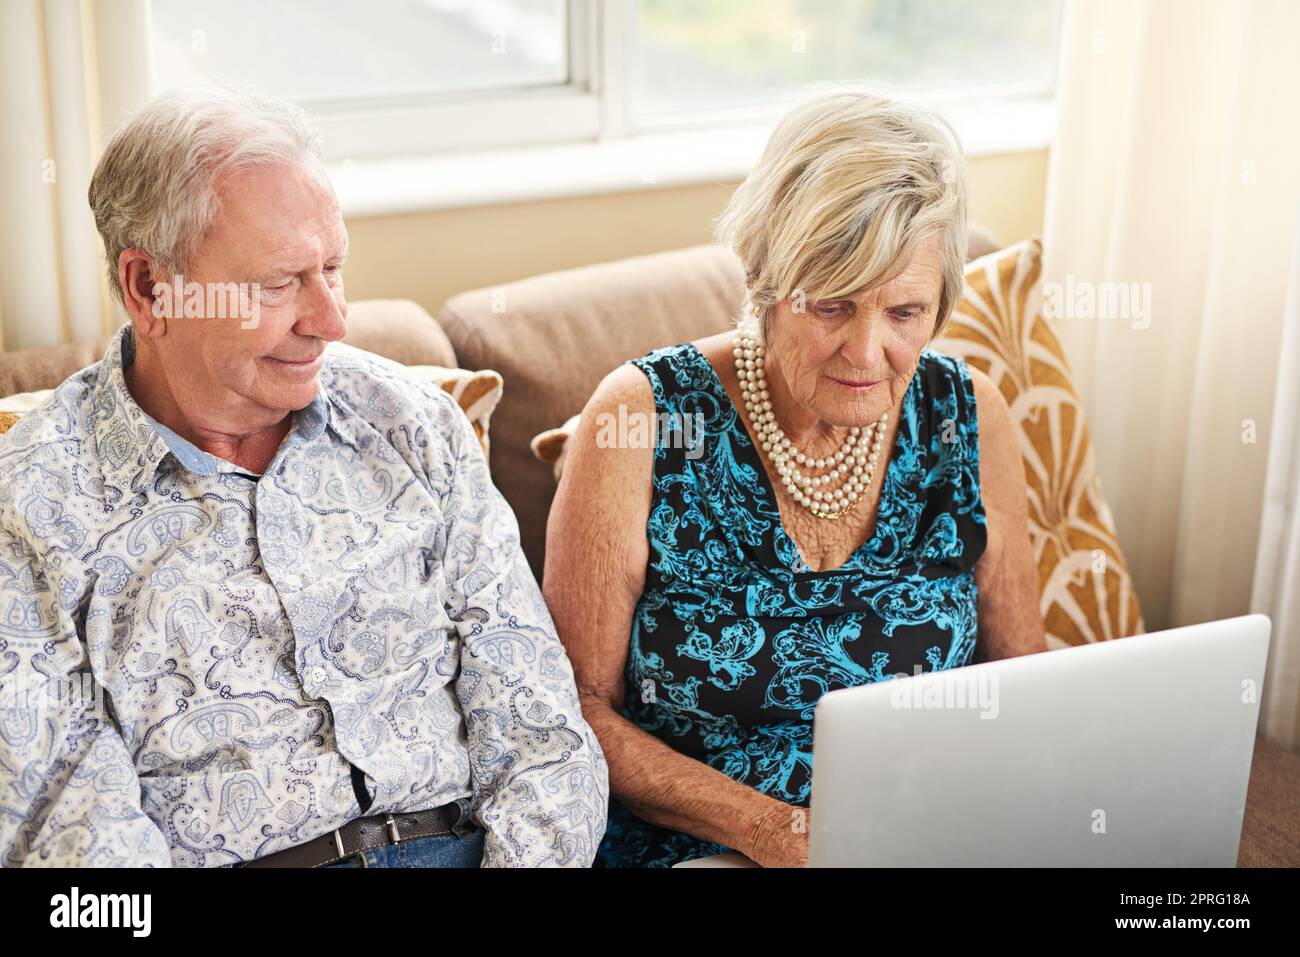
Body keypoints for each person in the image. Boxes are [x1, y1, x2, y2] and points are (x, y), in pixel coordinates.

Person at [0, 88, 607, 868]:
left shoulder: (412, 426)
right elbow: (70, 829)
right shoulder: (31, 500)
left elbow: (541, 730)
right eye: (280, 282)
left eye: (333, 268)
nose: (330, 318)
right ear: (150, 287)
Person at [544, 90, 1047, 868]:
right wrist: (773, 832)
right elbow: (573, 711)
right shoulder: (640, 416)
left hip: (921, 832)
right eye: (833, 306)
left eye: (905, 313)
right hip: (700, 846)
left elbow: (1026, 679)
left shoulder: (968, 415)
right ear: (765, 282)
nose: (866, 351)